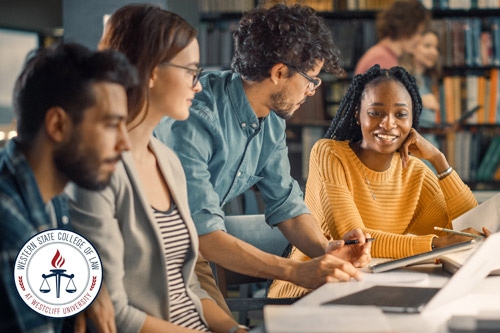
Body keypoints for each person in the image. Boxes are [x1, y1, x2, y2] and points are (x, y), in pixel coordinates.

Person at [154, 3, 372, 309]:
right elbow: (204, 235)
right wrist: (296, 272)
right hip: (156, 251)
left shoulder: (271, 124)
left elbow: (286, 205)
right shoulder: (197, 116)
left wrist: (328, 251)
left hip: (193, 251)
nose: (312, 91)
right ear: (279, 72)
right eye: (311, 79)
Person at [65, 4, 248, 333]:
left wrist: (235, 330)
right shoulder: (96, 175)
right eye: (191, 71)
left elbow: (189, 286)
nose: (199, 86)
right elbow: (113, 313)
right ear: (152, 71)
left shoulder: (168, 160)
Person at [269, 65, 487, 298]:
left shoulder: (416, 172)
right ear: (357, 114)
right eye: (376, 112)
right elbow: (356, 241)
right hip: (311, 287)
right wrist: (434, 246)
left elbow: (465, 231)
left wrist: (439, 160)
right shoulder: (329, 155)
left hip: (371, 286)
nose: (388, 123)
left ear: (412, 120)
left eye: (401, 114)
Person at [0, 42, 137, 332]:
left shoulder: (51, 195)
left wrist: (92, 292)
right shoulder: (10, 232)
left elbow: (71, 254)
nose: (125, 144)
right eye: (112, 124)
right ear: (58, 126)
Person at [354, 0, 431, 75]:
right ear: (406, 28)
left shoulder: (385, 56)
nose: (420, 39)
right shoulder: (381, 60)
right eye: (418, 33)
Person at [400, 30, 442, 157]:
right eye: (427, 46)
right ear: (412, 48)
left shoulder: (430, 81)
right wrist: (420, 100)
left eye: (436, 48)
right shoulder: (402, 78)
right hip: (412, 153)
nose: (434, 52)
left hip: (430, 147)